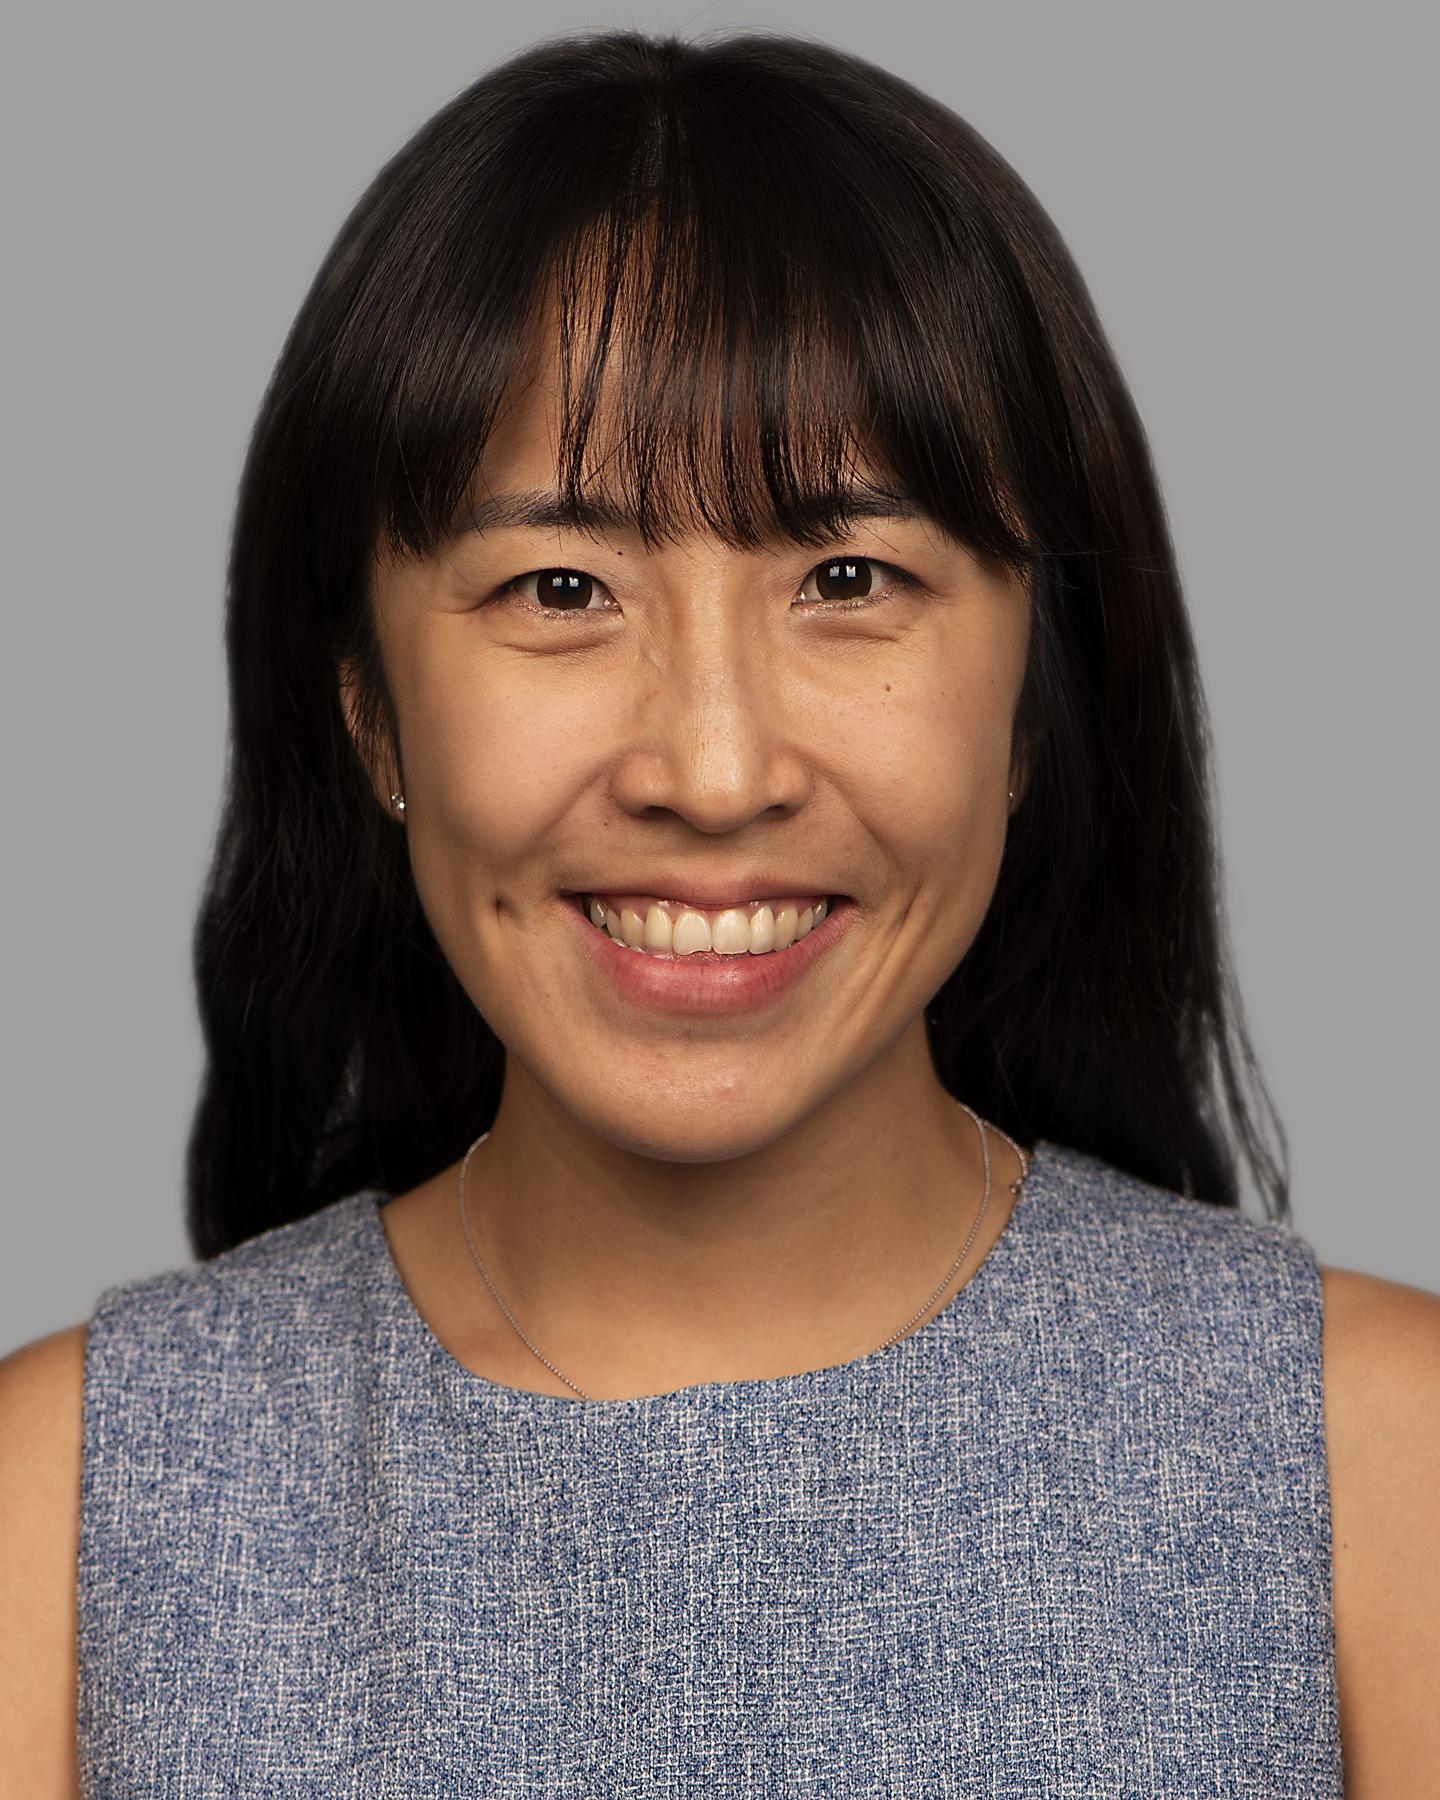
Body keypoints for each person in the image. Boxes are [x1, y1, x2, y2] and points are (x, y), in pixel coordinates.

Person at [2, 25, 1435, 1795]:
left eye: (851, 578)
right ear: (370, 706)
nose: (713, 763)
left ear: (1034, 695)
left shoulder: (1382, 1467)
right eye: (558, 585)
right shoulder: (61, 1512)